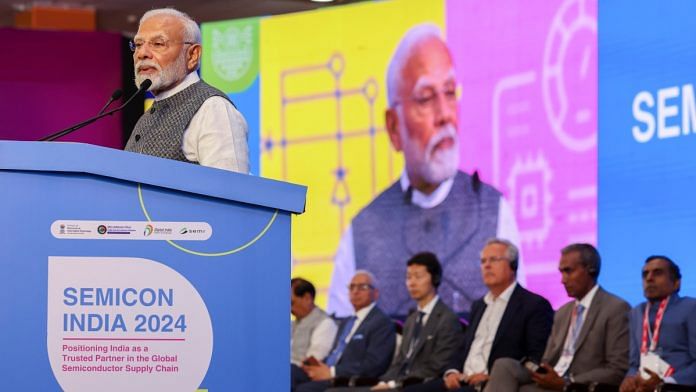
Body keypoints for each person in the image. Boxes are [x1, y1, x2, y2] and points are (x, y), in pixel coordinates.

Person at [329, 23, 521, 318]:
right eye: (426, 98)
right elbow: (341, 330)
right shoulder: (361, 230)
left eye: (449, 92)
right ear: (393, 126)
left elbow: (518, 313)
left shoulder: (495, 210)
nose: (445, 115)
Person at [404, 239, 553, 392]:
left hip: (491, 383)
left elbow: (534, 359)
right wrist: (452, 372)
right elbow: (462, 349)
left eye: (494, 260)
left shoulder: (533, 305)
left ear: (513, 266)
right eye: (483, 261)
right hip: (462, 381)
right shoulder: (479, 305)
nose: (486, 266)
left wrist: (493, 377)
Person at [485, 243, 630, 391]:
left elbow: (617, 370)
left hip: (578, 385)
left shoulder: (616, 308)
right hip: (553, 378)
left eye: (568, 271)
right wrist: (540, 370)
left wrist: (567, 382)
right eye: (561, 272)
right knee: (504, 365)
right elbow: (547, 360)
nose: (563, 280)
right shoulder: (562, 312)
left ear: (590, 269)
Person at [124, 8, 249, 173]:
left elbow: (230, 191)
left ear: (192, 56)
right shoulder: (147, 117)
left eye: (158, 44)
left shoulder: (212, 109)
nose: (142, 53)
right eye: (138, 44)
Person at [331, 252, 463, 392]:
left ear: (435, 279)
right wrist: (383, 382)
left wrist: (394, 384)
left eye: (418, 277)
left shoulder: (447, 319)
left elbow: (436, 367)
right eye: (408, 277)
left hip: (420, 386)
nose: (411, 283)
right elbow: (400, 362)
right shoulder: (412, 319)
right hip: (398, 384)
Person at [297, 271, 396, 392]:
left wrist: (332, 372)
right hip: (328, 374)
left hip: (349, 380)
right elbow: (337, 353)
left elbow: (374, 365)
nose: (355, 291)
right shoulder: (347, 322)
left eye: (362, 287)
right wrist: (316, 365)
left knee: (303, 389)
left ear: (375, 293)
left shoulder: (381, 322)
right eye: (352, 287)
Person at [619, 256, 696, 391]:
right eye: (645, 274)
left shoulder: (691, 308)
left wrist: (665, 383)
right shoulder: (636, 313)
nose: (649, 278)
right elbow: (634, 363)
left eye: (658, 273)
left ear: (676, 282)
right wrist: (630, 378)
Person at [292, 278, 339, 390]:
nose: (289, 308)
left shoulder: (325, 323)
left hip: (305, 372)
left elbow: (315, 358)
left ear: (307, 298)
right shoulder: (292, 324)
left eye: (291, 303)